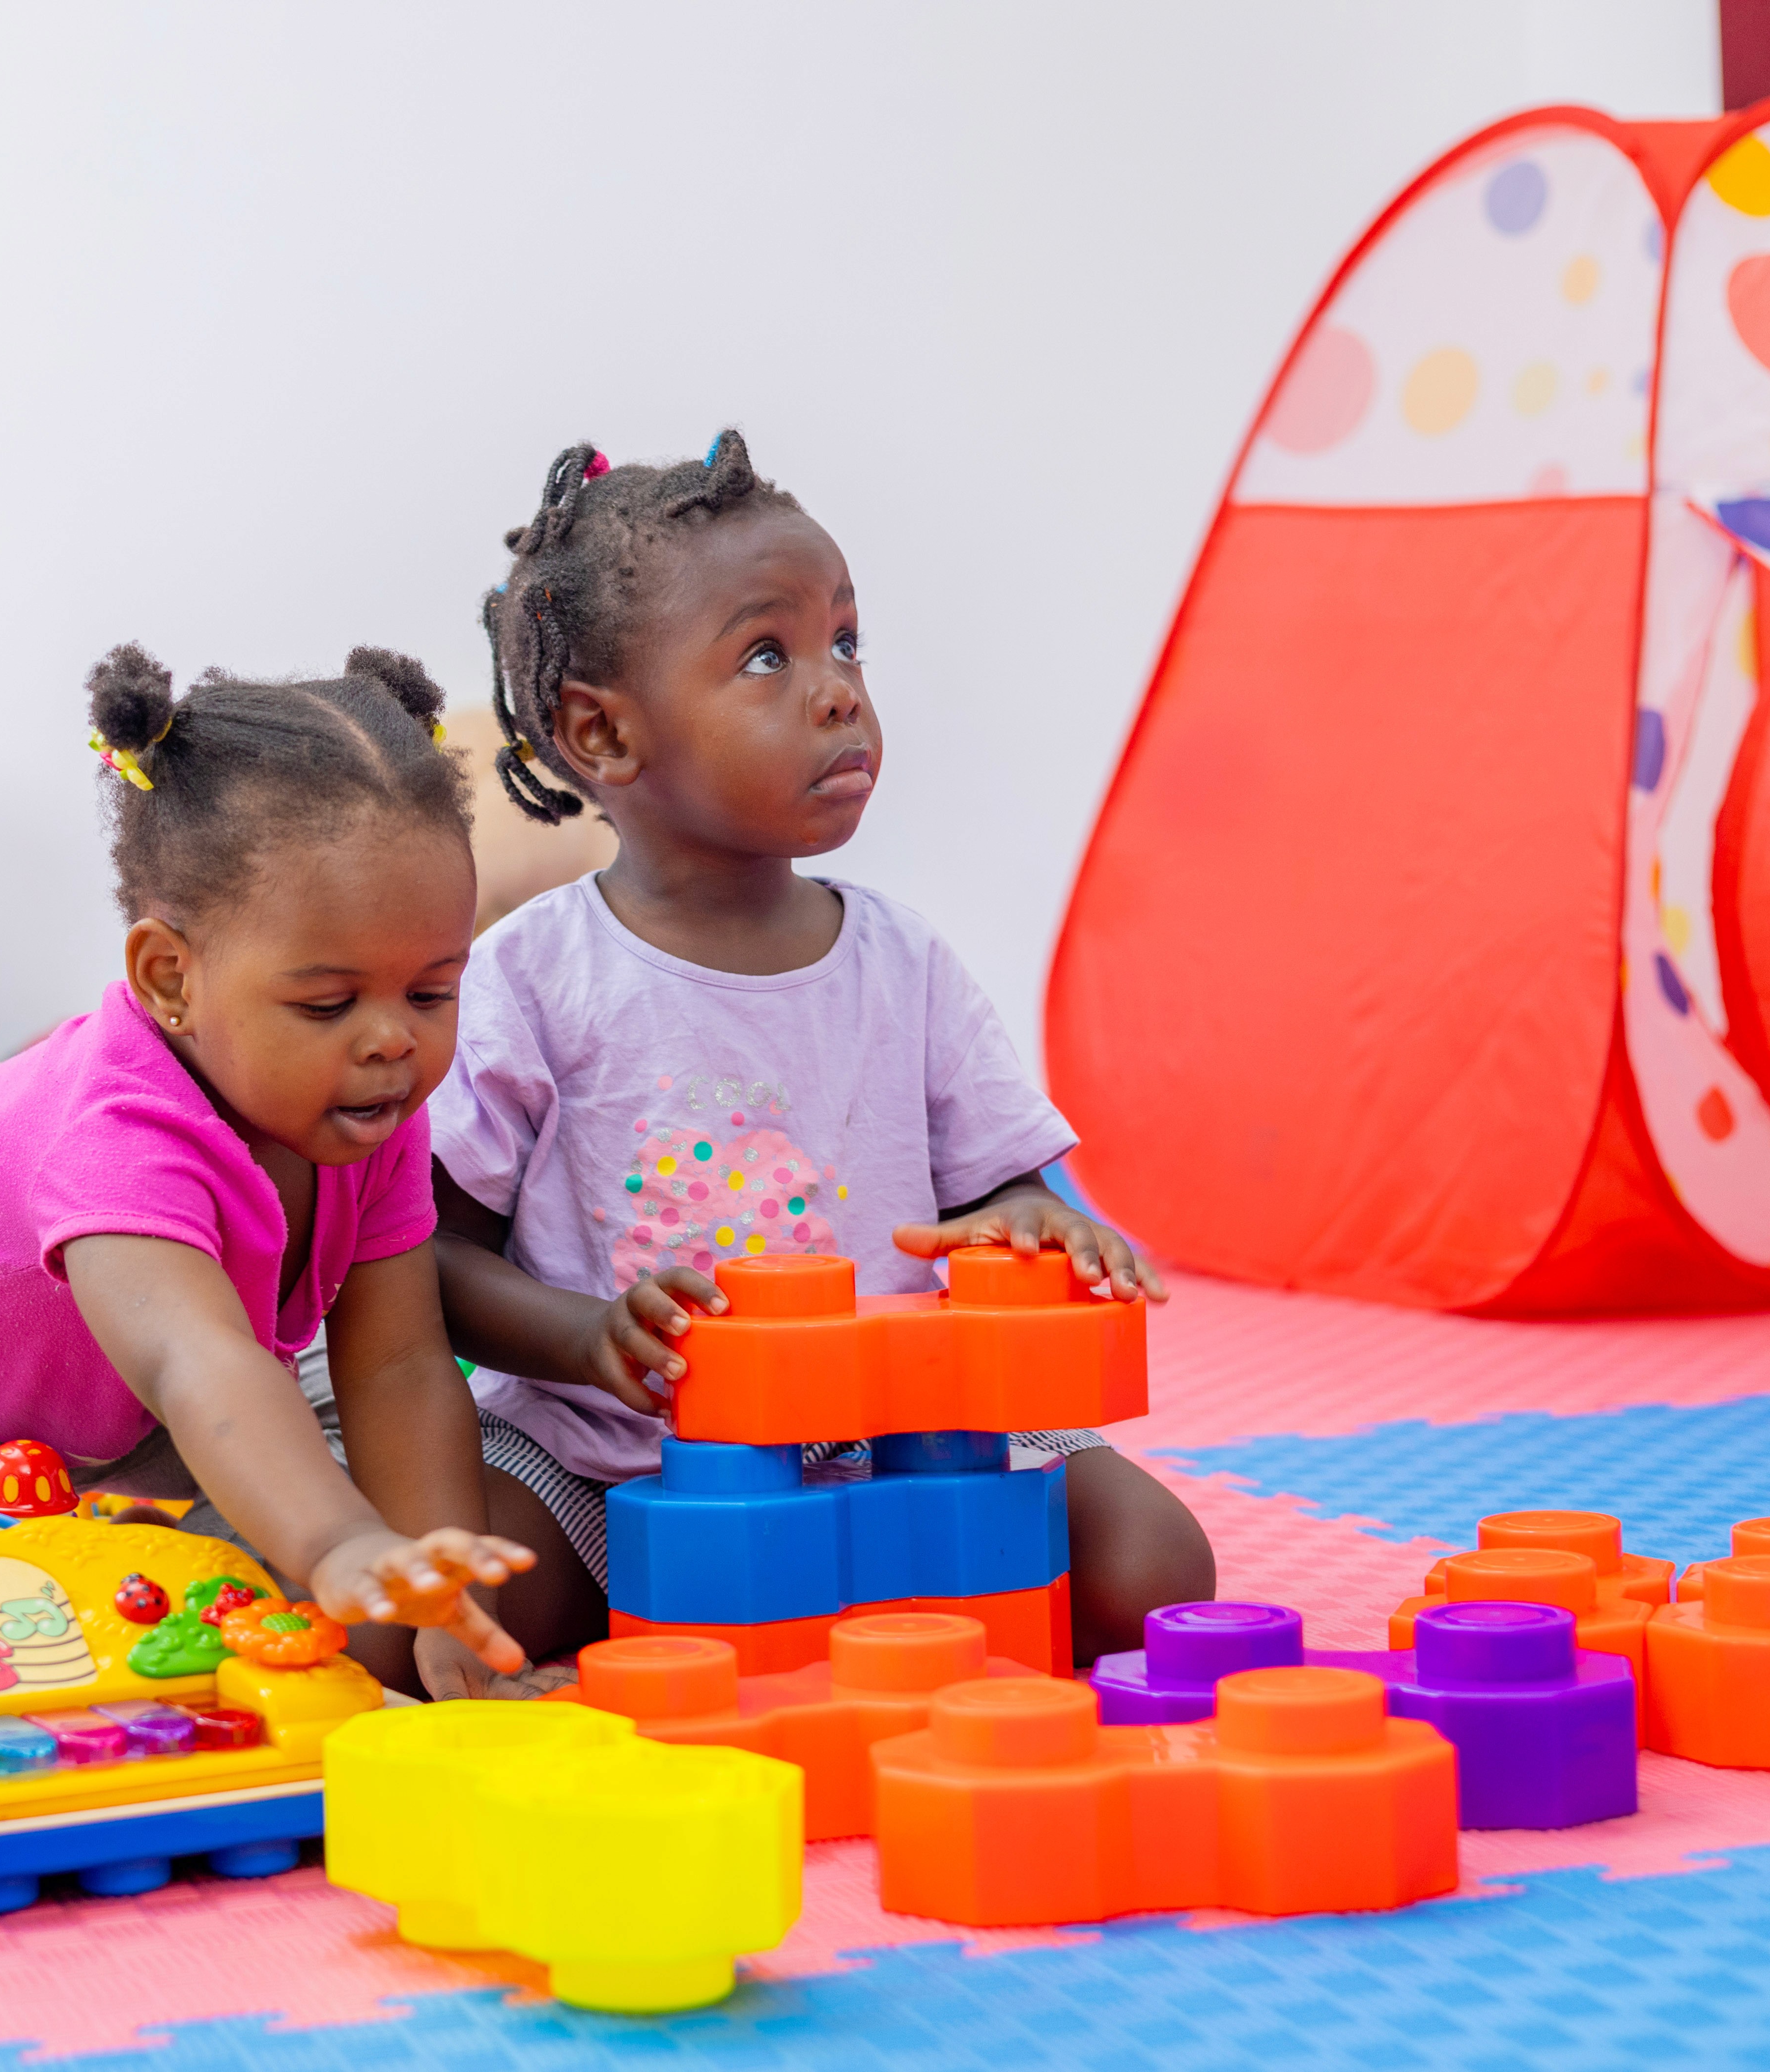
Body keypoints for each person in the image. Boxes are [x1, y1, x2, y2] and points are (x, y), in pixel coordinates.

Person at [430, 431, 1215, 1670]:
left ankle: (852, 1591)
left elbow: (1002, 1187)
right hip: (612, 1461)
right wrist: (585, 1339)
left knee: (1155, 1574)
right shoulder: (532, 976)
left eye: (845, 642)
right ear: (605, 733)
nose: (839, 689)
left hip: (911, 1451)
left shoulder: (903, 963)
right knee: (438, 1614)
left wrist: (1033, 1223)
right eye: (767, 656)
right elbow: (433, 1255)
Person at [0, 642, 532, 1699]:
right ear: (169, 978)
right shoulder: (116, 1134)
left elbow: (398, 1365)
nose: (393, 1040)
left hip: (126, 1399)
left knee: (323, 1619)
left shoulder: (368, 1104)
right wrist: (339, 1543)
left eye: (432, 992)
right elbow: (196, 1360)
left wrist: (444, 1615)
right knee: (16, 1637)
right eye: (328, 1004)